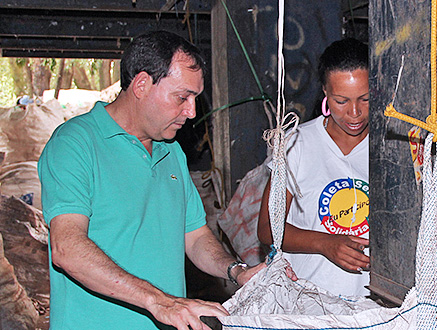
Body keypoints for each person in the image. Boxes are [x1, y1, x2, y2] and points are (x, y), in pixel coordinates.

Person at [38, 31, 265, 330]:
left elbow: (195, 236)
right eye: (182, 97)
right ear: (142, 84)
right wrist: (160, 301)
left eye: (195, 98)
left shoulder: (170, 151)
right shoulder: (75, 143)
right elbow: (67, 248)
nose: (191, 111)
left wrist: (236, 271)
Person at [258, 38, 371, 297]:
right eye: (341, 101)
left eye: (364, 99)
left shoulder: (390, 149)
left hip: (372, 305)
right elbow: (267, 228)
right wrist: (324, 243)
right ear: (325, 93)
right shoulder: (295, 144)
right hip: (308, 300)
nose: (354, 112)